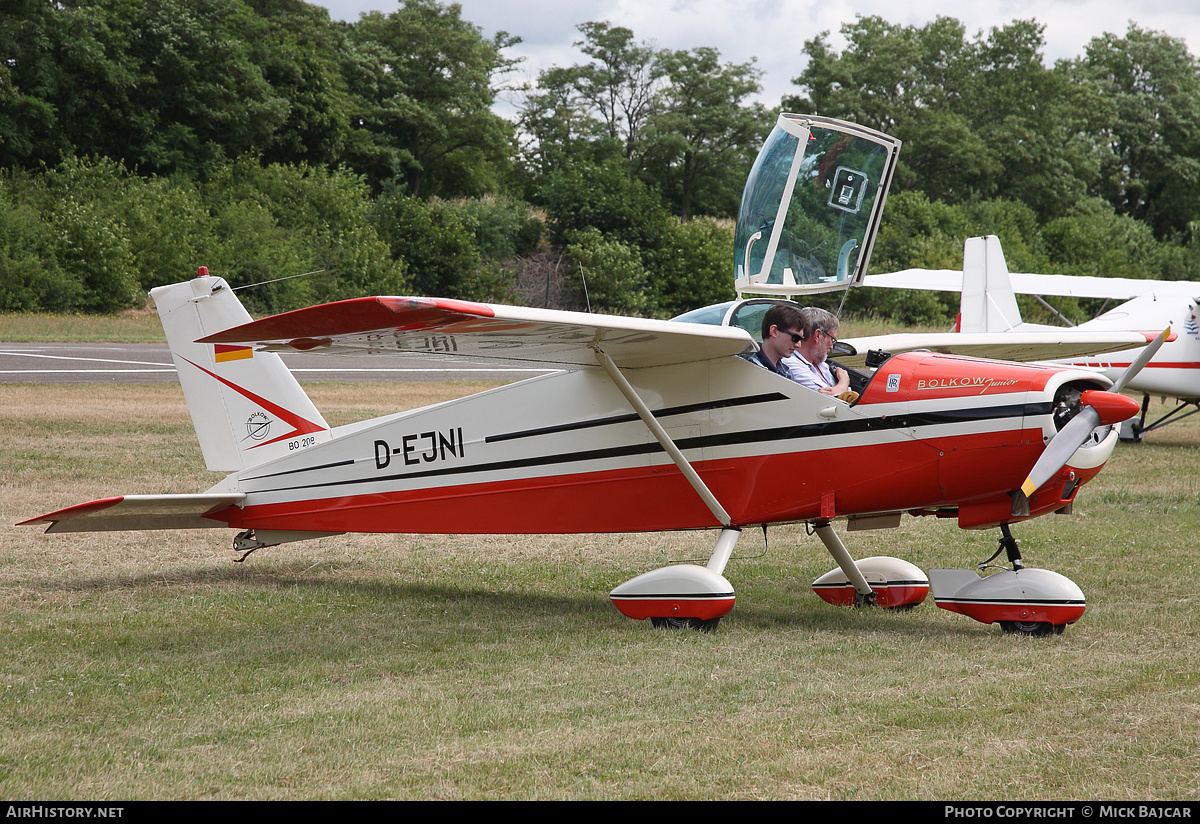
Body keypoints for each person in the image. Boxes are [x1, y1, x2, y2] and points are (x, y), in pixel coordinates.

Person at [783, 306, 857, 402]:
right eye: (831, 339)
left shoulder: (821, 364)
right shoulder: (790, 364)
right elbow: (824, 398)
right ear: (817, 335)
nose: (831, 346)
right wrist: (844, 382)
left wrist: (839, 389)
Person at [749, 303, 805, 379]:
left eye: (801, 339)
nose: (798, 345)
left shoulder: (787, 373)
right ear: (774, 331)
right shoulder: (748, 367)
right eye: (795, 338)